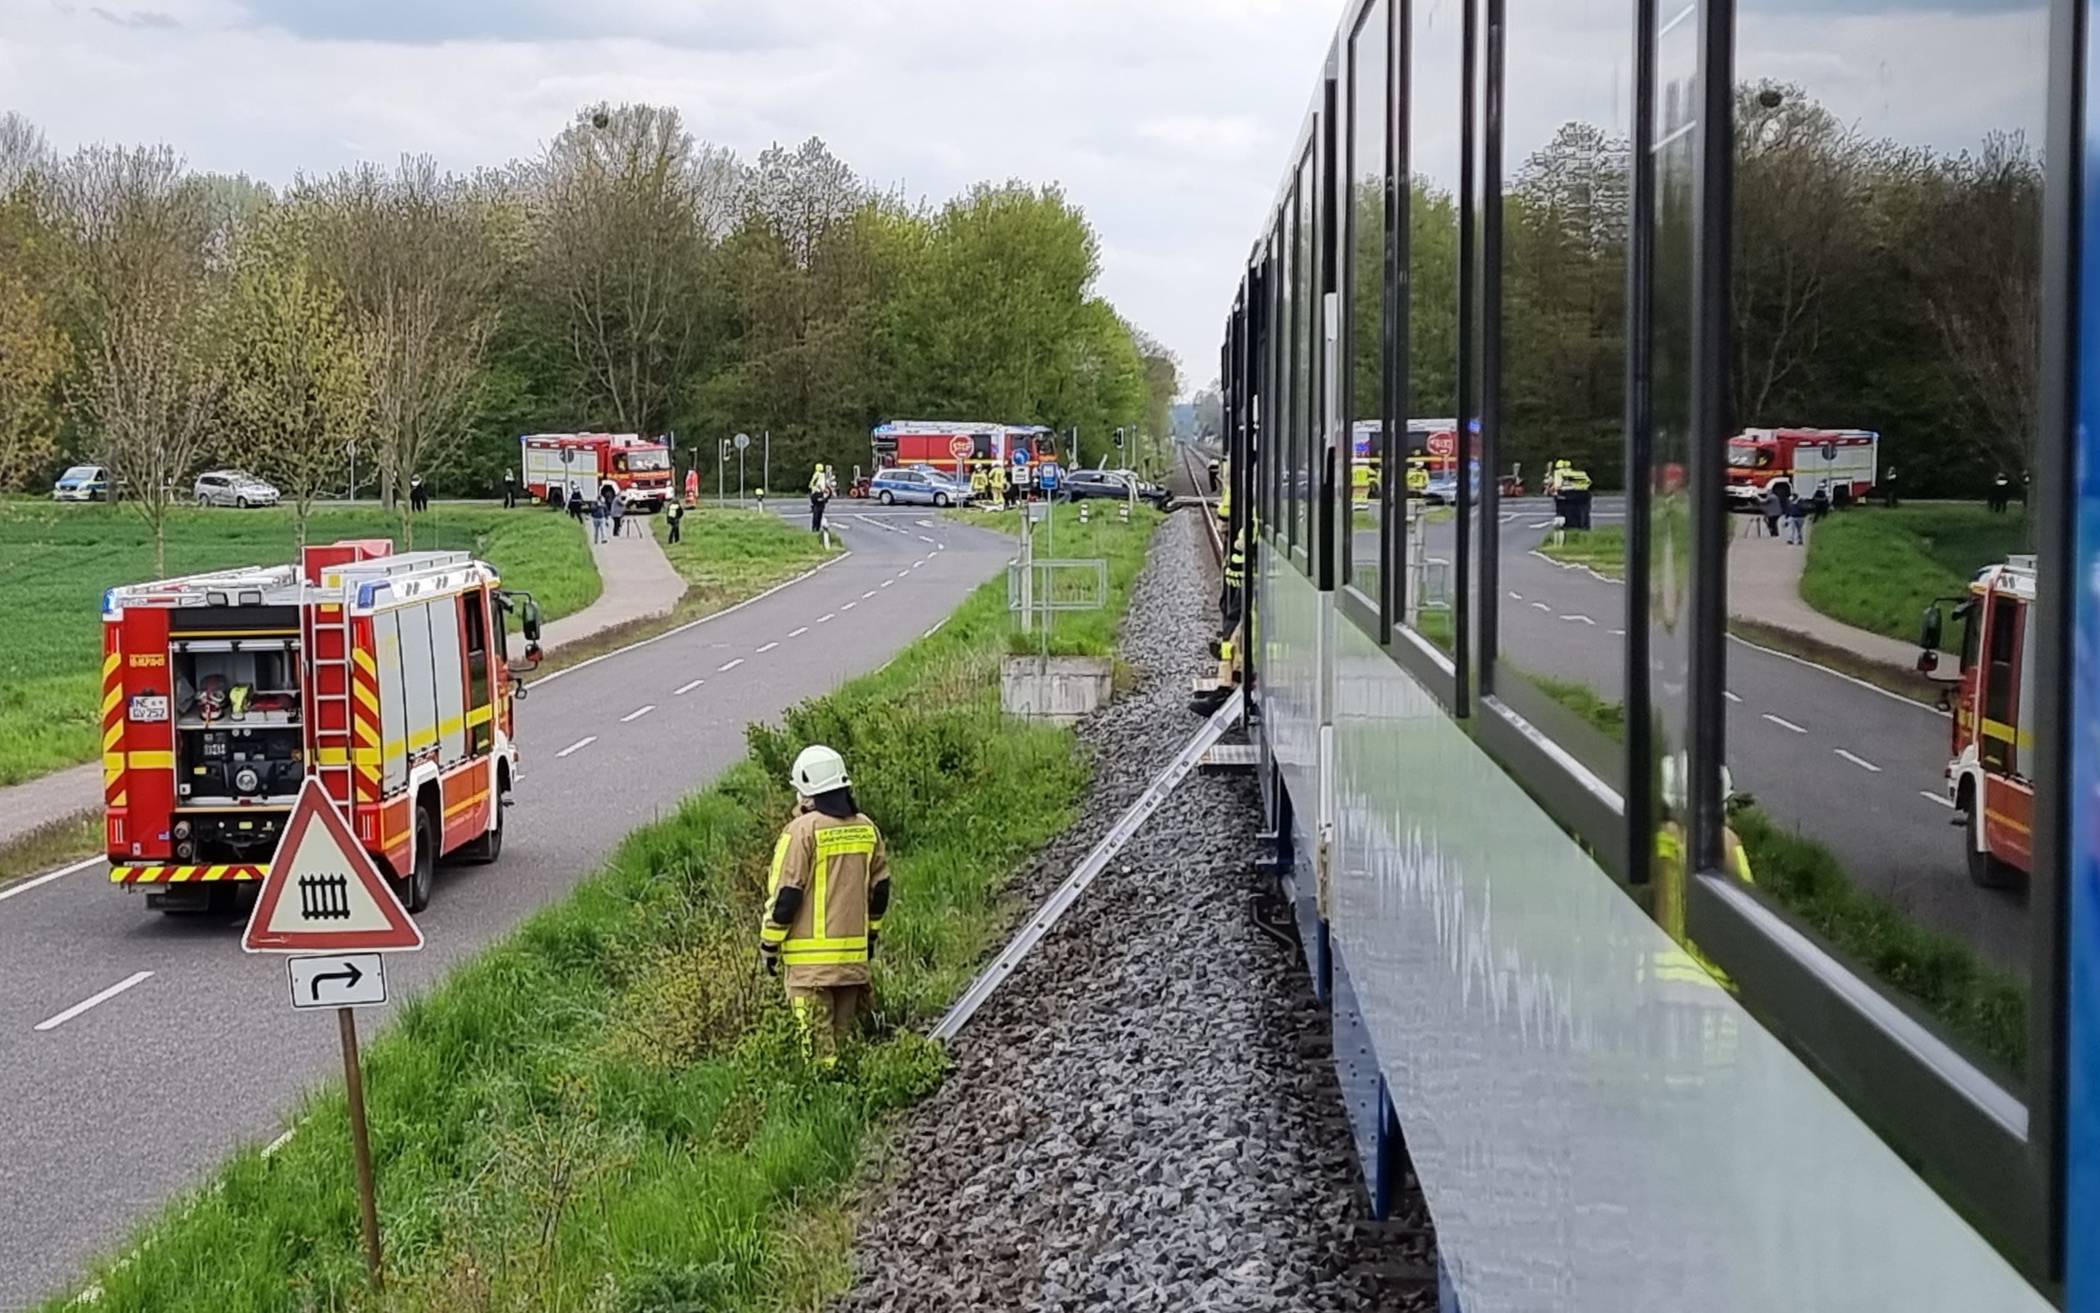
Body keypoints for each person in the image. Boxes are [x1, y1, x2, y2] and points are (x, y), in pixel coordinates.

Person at [758, 745, 889, 1070]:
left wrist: (769, 945)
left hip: (809, 970)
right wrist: (869, 939)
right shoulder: (866, 828)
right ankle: (854, 1101)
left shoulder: (801, 832)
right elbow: (880, 891)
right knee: (844, 1046)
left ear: (808, 791)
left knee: (819, 1054)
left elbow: (786, 897)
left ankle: (827, 1106)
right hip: (852, 964)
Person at [808, 462, 829, 533]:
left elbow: (811, 484)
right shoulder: (820, 475)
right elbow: (815, 484)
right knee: (819, 511)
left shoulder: (817, 475)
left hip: (816, 493)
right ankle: (816, 528)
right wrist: (822, 489)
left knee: (817, 511)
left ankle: (815, 528)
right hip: (819, 493)